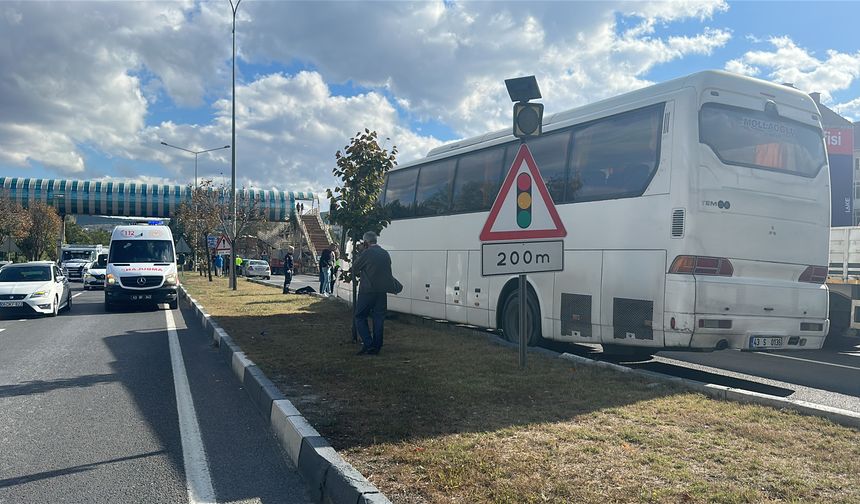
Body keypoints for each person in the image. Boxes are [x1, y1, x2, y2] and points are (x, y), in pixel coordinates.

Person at [352, 231, 395, 355]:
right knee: (379, 318)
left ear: (366, 242)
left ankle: (368, 343)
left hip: (368, 290)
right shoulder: (385, 253)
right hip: (382, 291)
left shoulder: (367, 253)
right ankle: (377, 346)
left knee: (360, 316)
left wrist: (361, 252)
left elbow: (355, 268)